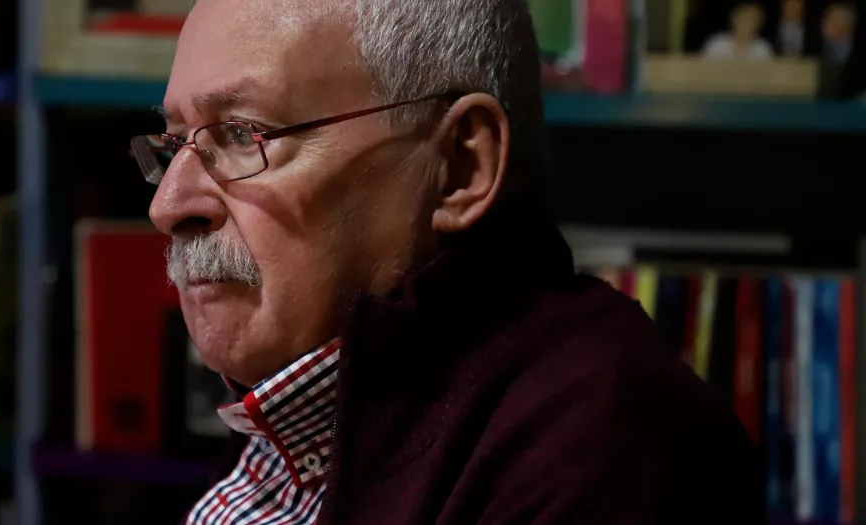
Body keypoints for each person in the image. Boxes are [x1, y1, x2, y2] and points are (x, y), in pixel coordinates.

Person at [130, 0, 763, 523]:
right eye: (175, 142)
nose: (168, 205)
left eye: (242, 134)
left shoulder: (606, 448)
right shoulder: (306, 411)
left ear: (461, 167)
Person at [701, 2, 775, 60]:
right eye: (743, 20)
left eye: (752, 21)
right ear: (734, 21)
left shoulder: (762, 49)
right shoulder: (717, 43)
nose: (747, 24)